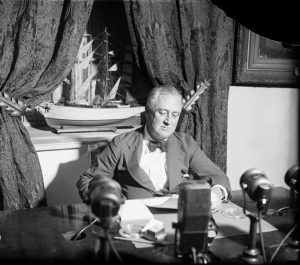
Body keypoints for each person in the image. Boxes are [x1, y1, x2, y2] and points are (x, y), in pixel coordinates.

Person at [77, 85, 231, 209]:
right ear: (148, 112)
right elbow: (88, 179)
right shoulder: (121, 143)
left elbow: (219, 176)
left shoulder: (187, 143)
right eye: (162, 113)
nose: (168, 121)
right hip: (132, 221)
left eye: (175, 114)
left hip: (176, 220)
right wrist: (102, 200)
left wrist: (216, 194)